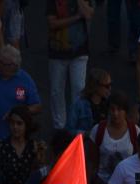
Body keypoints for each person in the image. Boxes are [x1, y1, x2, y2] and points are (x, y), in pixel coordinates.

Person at [0, 46, 43, 139]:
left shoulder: (25, 80)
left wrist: (16, 112)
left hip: (14, 138)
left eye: (2, 63)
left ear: (13, 66)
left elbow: (37, 107)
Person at [46, 0, 93, 130]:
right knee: (57, 91)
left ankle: (76, 126)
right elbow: (52, 23)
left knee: (78, 88)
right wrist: (77, 17)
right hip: (57, 51)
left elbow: (88, 14)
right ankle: (59, 126)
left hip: (79, 52)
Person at [0, 105, 45, 184]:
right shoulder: (0, 148)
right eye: (12, 123)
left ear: (26, 125)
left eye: (19, 123)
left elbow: (37, 175)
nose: (15, 127)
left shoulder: (34, 147)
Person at [89, 92, 137, 184]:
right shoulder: (98, 130)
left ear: (125, 112)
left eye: (119, 110)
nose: (115, 113)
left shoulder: (135, 131)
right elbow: (92, 161)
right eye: (112, 109)